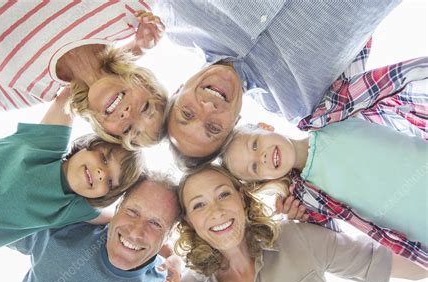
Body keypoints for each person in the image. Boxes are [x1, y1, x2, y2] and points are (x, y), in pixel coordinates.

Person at [221, 56, 428, 267]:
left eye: (255, 145)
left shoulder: (330, 114)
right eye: (255, 167)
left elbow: (350, 52)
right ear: (263, 179)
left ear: (265, 127)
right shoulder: (307, 197)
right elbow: (335, 245)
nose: (262, 157)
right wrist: (298, 219)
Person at [157, 0, 401, 163]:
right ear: (236, 123)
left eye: (187, 113)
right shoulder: (304, 106)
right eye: (213, 127)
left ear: (178, 90)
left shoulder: (174, 15)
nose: (207, 109)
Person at [167, 165, 427, 282]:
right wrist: (167, 259)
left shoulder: (297, 239)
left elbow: (412, 267)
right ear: (189, 221)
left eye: (223, 195)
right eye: (199, 205)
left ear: (242, 197)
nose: (216, 211)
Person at [0, 88, 144, 261]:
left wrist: (170, 254)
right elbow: (71, 93)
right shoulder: (47, 145)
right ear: (86, 147)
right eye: (103, 158)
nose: (102, 173)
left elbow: (123, 220)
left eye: (110, 182)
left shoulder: (70, 207)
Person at [0, 1, 166, 148]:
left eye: (128, 130)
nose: (128, 114)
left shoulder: (32, 88)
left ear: (104, 128)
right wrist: (137, 47)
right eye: (146, 108)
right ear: (144, 82)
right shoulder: (130, 10)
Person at [0, 172, 183, 282]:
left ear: (170, 234)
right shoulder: (62, 234)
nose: (135, 232)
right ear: (117, 208)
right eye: (132, 212)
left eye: (155, 223)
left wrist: (175, 256)